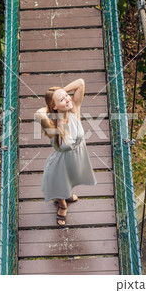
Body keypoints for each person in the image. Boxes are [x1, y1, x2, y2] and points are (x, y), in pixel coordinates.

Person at [35, 78, 97, 227]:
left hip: (78, 157)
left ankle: (67, 195)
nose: (67, 99)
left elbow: (81, 82)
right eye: (62, 100)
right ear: (54, 107)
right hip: (60, 163)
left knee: (71, 181)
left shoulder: (74, 109)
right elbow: (39, 113)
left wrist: (59, 94)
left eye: (67, 96)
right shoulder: (51, 125)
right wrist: (52, 104)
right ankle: (62, 205)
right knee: (59, 185)